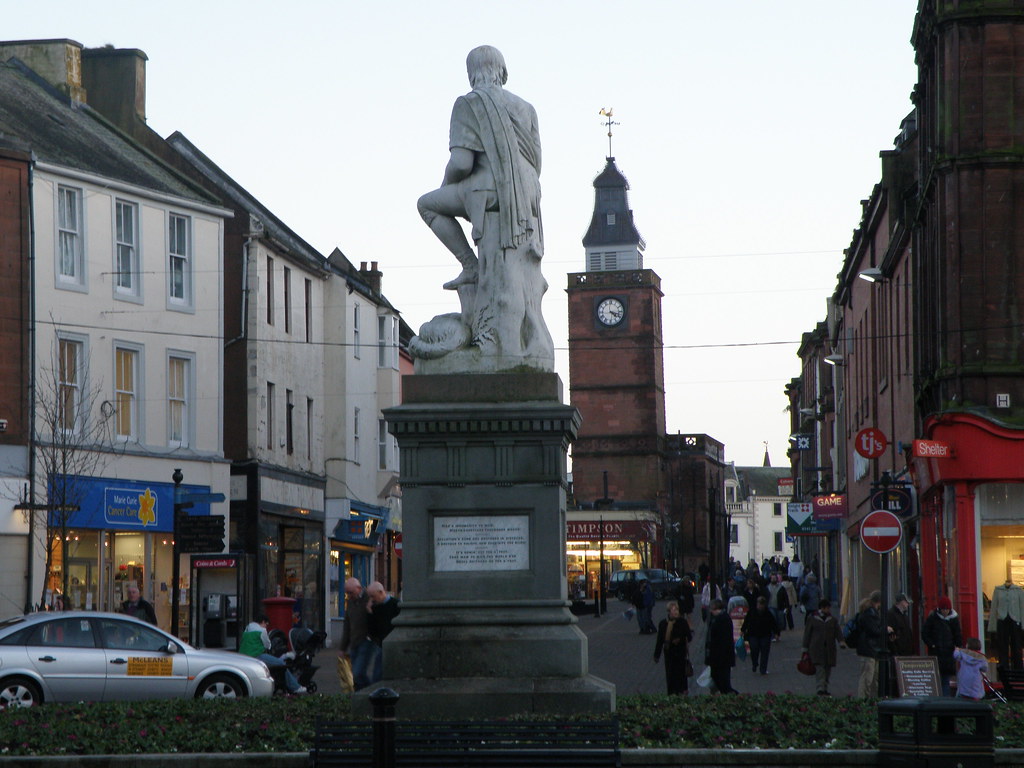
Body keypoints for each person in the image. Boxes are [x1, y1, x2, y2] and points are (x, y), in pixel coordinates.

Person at [412, 45, 551, 366]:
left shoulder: (469, 103)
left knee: (428, 205)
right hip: (528, 200)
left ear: (471, 73)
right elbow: (537, 163)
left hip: (487, 192)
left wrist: (447, 187)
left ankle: (469, 265)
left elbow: (461, 162)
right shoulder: (526, 108)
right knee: (521, 281)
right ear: (502, 71)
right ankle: (529, 344)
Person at [239, 613, 305, 694]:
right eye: (266, 624)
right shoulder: (262, 631)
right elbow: (268, 645)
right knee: (282, 664)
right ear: (263, 622)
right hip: (256, 655)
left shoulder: (247, 628)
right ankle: (296, 687)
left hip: (244, 656)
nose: (266, 626)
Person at [922, 595, 963, 696]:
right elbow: (924, 633)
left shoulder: (953, 620)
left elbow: (958, 634)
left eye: (947, 609)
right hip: (936, 653)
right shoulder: (933, 618)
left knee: (945, 680)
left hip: (948, 654)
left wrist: (958, 646)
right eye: (943, 609)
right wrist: (931, 645)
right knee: (936, 679)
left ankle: (945, 701)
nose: (945, 611)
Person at [340, 577, 375, 690]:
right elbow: (347, 625)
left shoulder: (369, 598)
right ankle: (362, 696)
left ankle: (371, 691)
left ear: (359, 588)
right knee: (356, 675)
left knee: (358, 672)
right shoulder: (350, 602)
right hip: (354, 642)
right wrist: (343, 647)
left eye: (351, 592)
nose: (349, 595)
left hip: (367, 641)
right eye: (347, 593)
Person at [802, 598, 841, 695]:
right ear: (822, 608)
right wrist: (805, 648)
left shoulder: (832, 620)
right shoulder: (812, 618)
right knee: (820, 669)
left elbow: (838, 632)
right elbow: (807, 634)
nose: (829, 610)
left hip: (829, 649)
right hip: (816, 649)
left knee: (827, 670)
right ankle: (820, 688)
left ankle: (825, 687)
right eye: (827, 608)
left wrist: (842, 641)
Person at [653, 601, 693, 695]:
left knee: (681, 675)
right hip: (669, 653)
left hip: (680, 653)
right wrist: (656, 655)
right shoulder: (663, 624)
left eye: (677, 609)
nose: (676, 612)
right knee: (670, 675)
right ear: (669, 611)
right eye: (674, 610)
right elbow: (660, 640)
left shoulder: (682, 622)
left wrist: (681, 639)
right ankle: (671, 694)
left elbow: (689, 637)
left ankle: (682, 692)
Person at [367, 581, 401, 684]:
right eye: (370, 597)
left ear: (381, 592)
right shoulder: (374, 607)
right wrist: (369, 613)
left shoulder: (396, 605)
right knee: (378, 672)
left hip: (393, 643)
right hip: (381, 643)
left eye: (373, 596)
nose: (372, 599)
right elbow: (371, 629)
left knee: (381, 672)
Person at [855, 591, 887, 697]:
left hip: (871, 649)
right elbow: (874, 630)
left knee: (873, 678)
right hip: (868, 649)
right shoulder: (869, 614)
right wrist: (885, 629)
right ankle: (862, 700)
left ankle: (872, 699)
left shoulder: (870, 612)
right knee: (866, 678)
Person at [705, 599, 738, 694]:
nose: (710, 611)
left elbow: (724, 641)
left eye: (712, 609)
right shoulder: (715, 619)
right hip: (716, 657)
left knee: (724, 683)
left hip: (722, 658)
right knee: (718, 679)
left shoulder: (723, 619)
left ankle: (734, 696)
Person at [741, 596, 776, 675]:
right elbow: (746, 621)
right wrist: (743, 630)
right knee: (754, 649)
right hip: (753, 634)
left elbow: (773, 623)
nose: (760, 606)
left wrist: (777, 632)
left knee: (765, 652)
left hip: (765, 635)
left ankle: (763, 669)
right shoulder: (752, 612)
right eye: (759, 604)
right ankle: (755, 663)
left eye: (762, 605)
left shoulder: (768, 613)